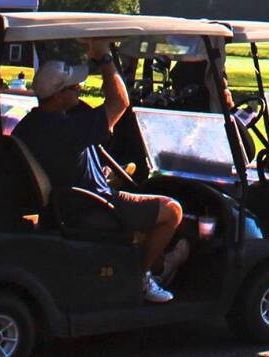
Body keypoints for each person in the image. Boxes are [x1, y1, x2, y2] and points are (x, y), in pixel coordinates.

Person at [13, 56, 184, 304]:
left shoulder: (29, 125)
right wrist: (104, 56)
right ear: (59, 95)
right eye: (75, 87)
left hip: (69, 202)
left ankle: (159, 267)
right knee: (172, 211)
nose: (80, 90)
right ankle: (140, 278)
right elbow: (120, 102)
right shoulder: (66, 129)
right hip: (92, 207)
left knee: (146, 226)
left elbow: (68, 163)